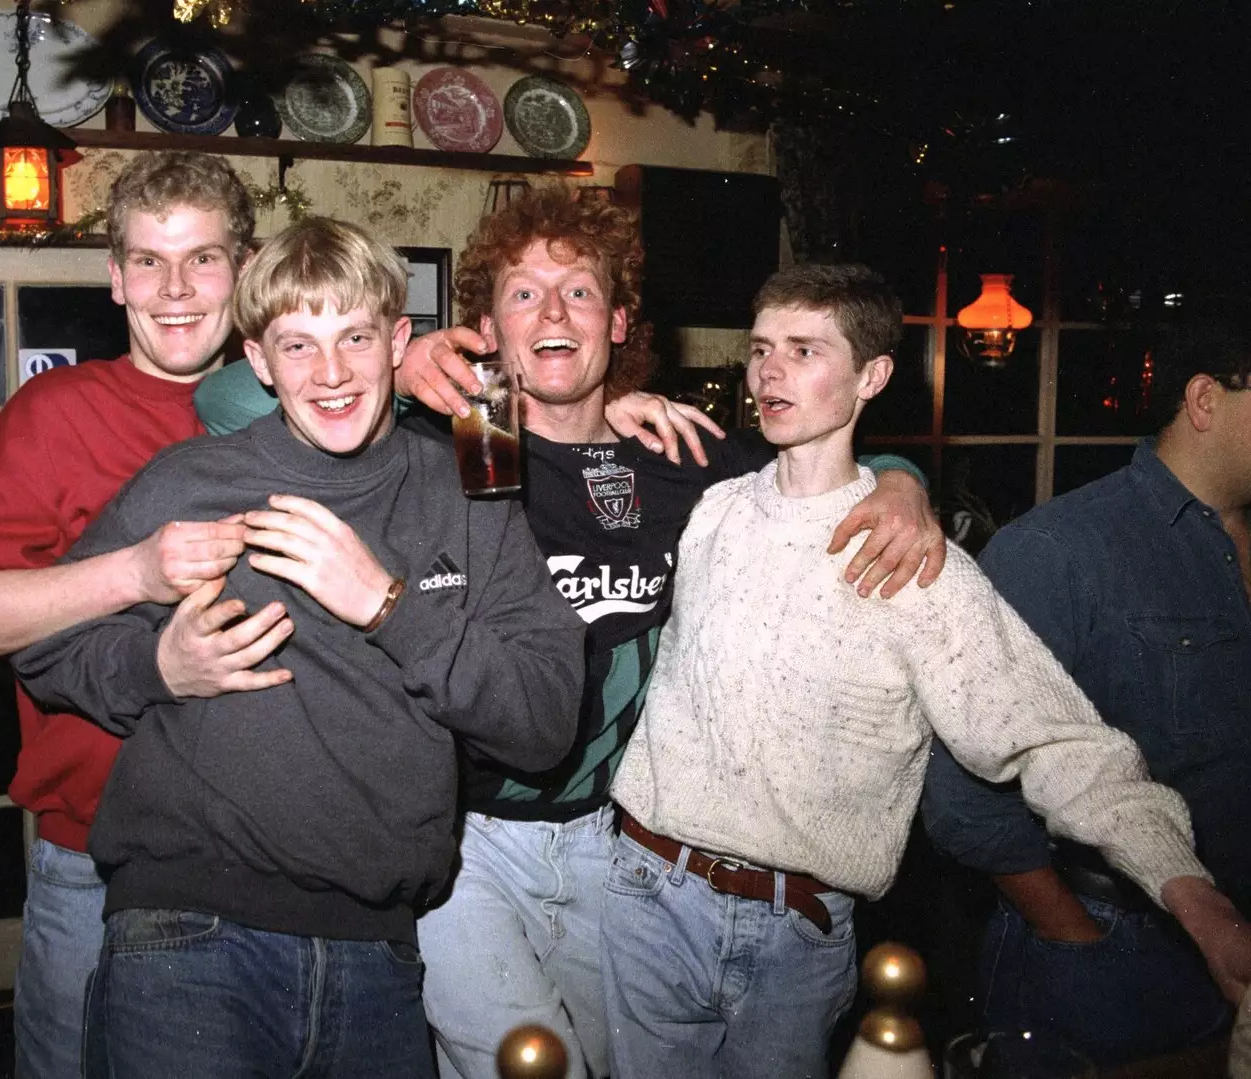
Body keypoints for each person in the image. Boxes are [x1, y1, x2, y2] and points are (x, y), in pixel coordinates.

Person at [194, 186, 947, 1079]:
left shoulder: (681, 459)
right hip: (465, 836)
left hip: (627, 848)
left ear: (619, 321)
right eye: (522, 293)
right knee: (525, 1062)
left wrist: (899, 481)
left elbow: (827, 458)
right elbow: (226, 399)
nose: (552, 311)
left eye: (580, 291)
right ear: (487, 328)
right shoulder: (456, 449)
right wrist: (399, 366)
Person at [602, 263, 1251, 1079]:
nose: (769, 371)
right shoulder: (710, 511)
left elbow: (1052, 739)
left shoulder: (913, 564)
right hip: (643, 894)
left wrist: (1189, 889)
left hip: (792, 932)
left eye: (805, 350)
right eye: (762, 347)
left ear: (872, 374)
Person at [9, 216, 584, 1078]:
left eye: (355, 336)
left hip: (381, 950)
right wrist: (156, 666)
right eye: (298, 344)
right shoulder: (190, 482)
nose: (332, 373)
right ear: (260, 360)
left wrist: (385, 603)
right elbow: (43, 645)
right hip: (187, 933)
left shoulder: (467, 493)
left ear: (398, 342)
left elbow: (541, 724)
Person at [0, 151, 288, 1079]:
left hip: (281, 856)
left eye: (203, 258)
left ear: (247, 266)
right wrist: (134, 570)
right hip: (100, 864)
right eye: (149, 261)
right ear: (116, 280)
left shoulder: (307, 399)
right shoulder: (61, 411)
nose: (177, 288)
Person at [920, 314, 1251, 1065]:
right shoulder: (1056, 550)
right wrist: (1071, 931)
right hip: (1115, 944)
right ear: (1206, 400)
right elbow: (960, 792)